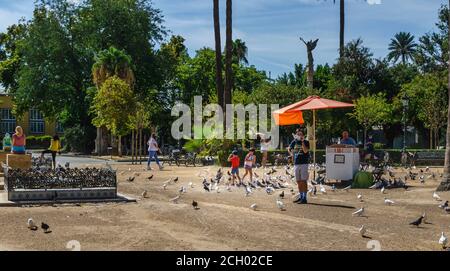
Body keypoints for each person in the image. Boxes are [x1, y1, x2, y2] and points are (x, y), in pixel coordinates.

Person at [288, 128, 310, 204]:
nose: (299, 135)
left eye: (300, 134)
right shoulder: (294, 142)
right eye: (298, 134)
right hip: (296, 163)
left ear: (303, 135)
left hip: (304, 163)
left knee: (304, 181)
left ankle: (304, 198)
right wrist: (291, 153)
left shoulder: (306, 142)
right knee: (298, 181)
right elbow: (289, 148)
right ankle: (301, 196)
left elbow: (305, 151)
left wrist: (302, 141)